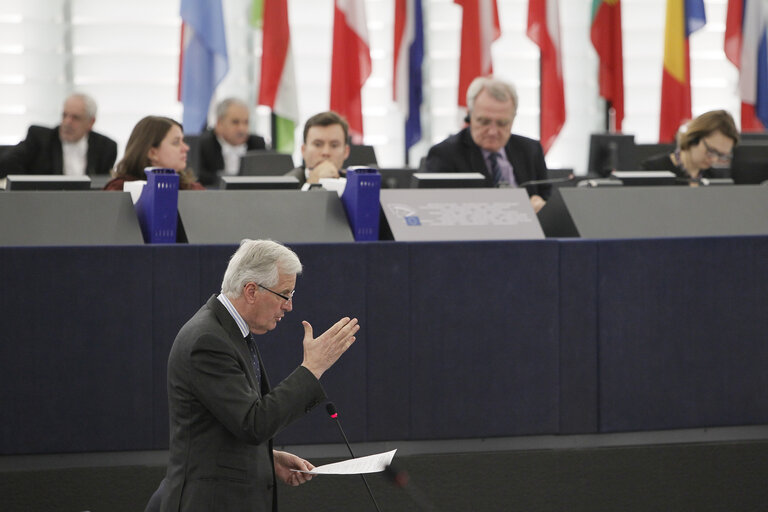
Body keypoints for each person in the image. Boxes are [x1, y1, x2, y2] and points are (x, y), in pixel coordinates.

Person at [148, 239, 359, 512]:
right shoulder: (208, 340)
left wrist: (265, 459)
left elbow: (223, 427)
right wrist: (312, 368)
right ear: (251, 291)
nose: (289, 306)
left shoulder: (229, 332)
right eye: (286, 294)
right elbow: (253, 423)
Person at [425, 76, 551, 212]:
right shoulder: (445, 155)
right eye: (484, 121)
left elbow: (550, 202)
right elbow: (435, 210)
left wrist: (543, 209)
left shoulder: (530, 150)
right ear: (469, 116)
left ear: (513, 118)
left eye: (502, 123)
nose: (492, 131)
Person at [0, 92, 117, 178]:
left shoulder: (106, 147)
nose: (67, 122)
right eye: (64, 115)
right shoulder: (39, 138)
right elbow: (7, 163)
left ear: (91, 122)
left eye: (75, 118)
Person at [103, 116, 205, 191]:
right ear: (152, 153)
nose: (186, 148)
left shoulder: (193, 189)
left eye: (183, 141)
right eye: (176, 142)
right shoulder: (119, 189)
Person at [641, 110, 739, 185]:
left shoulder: (717, 179)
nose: (714, 159)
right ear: (694, 138)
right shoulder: (652, 171)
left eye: (722, 155)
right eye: (711, 151)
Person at [197, 98, 267, 186]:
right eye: (235, 122)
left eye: (246, 122)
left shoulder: (257, 145)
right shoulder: (202, 145)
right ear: (219, 123)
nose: (242, 129)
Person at [285, 111, 351, 187]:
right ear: (303, 150)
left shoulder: (355, 185)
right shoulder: (283, 187)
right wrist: (312, 183)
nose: (326, 152)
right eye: (318, 144)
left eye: (334, 145)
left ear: (346, 152)